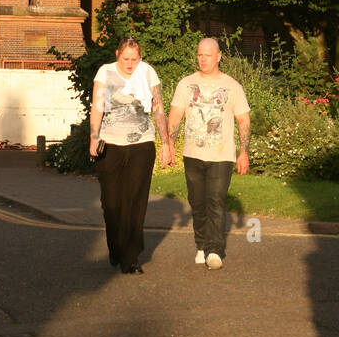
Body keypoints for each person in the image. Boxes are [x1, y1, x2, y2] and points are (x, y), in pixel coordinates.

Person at [89, 36, 171, 274]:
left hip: (142, 145)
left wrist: (165, 142)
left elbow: (158, 108)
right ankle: (116, 247)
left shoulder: (148, 73)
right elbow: (97, 106)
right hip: (111, 143)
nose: (130, 64)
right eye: (126, 59)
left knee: (135, 201)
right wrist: (94, 136)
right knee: (111, 203)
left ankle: (131, 257)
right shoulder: (104, 73)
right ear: (117, 54)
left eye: (134, 59)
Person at [168, 37, 251, 271]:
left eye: (207, 55)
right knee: (198, 202)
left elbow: (244, 120)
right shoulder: (186, 84)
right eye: (199, 55)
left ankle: (214, 249)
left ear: (218, 57)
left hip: (222, 155)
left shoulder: (232, 86)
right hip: (193, 153)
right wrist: (170, 143)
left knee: (216, 200)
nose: (202, 59)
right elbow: (175, 116)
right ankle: (201, 245)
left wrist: (243, 152)